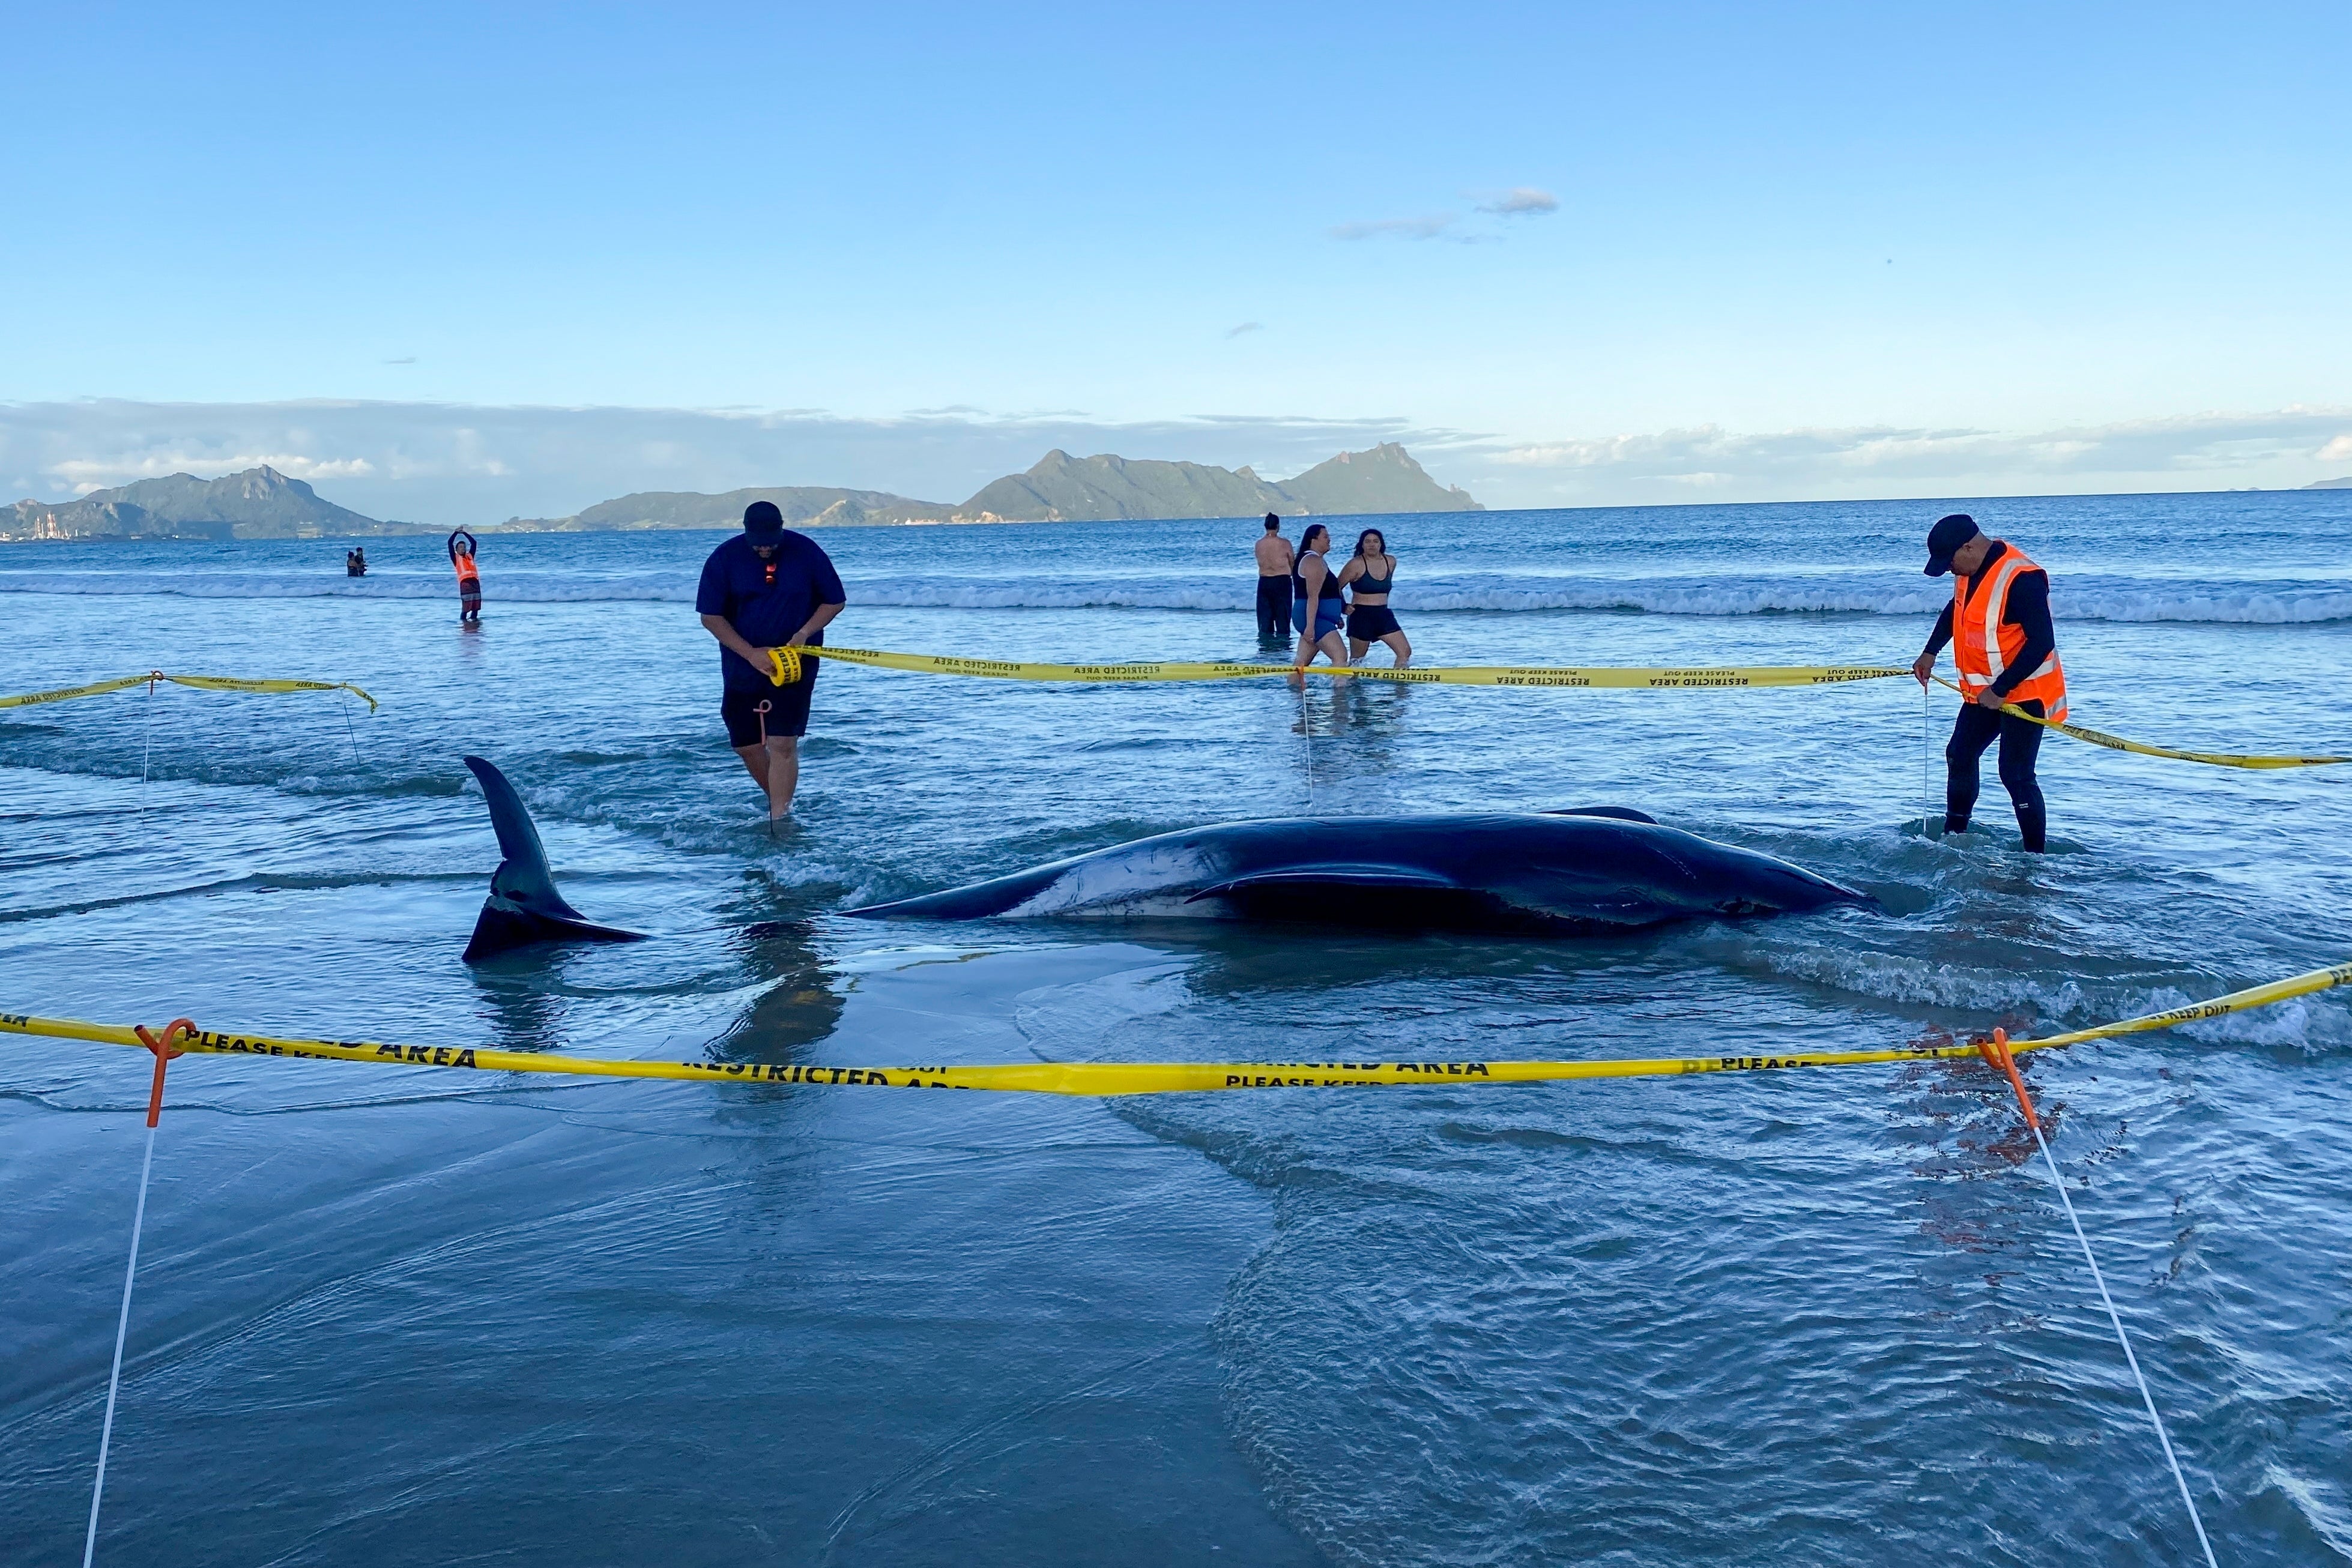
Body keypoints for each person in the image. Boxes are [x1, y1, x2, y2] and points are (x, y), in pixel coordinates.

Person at [1911, 512, 2066, 852]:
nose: (1949, 570)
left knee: (2015, 774)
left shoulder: (2022, 577)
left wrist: (2001, 689)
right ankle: (1954, 838)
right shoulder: (1969, 571)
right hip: (1983, 693)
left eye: (1949, 561)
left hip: (2025, 692)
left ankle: (2035, 857)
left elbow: (2042, 643)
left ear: (1968, 547)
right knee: (1959, 754)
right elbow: (1957, 608)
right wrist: (1930, 651)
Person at [697, 500, 847, 820]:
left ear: (782, 528)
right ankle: (780, 798)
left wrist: (805, 632)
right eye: (758, 543)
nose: (765, 548)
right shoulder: (724, 558)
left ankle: (781, 816)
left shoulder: (807, 552)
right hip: (743, 662)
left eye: (771, 542)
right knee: (746, 745)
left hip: (796, 660)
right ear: (746, 532)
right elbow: (711, 617)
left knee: (782, 742)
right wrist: (750, 654)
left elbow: (834, 602)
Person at [1337, 527, 1410, 667]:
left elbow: (1387, 587)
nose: (1372, 545)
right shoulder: (1356, 564)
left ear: (1381, 544)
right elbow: (1335, 587)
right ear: (1362, 545)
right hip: (1361, 616)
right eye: (1368, 542)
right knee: (1357, 661)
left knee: (1405, 652)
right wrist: (1343, 607)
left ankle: (1400, 686)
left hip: (1383, 615)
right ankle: (1348, 686)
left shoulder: (1391, 562)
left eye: (1376, 541)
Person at [1291, 523, 1349, 673]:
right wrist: (1310, 628)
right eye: (1325, 536)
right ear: (1313, 539)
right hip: (1313, 619)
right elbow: (1313, 597)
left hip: (1319, 618)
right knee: (1340, 655)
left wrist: (1335, 616)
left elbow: (1325, 593)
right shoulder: (1312, 561)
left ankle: (1293, 693)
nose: (1329, 540)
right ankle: (1340, 694)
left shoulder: (1315, 560)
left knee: (1301, 664)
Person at [1253, 513, 1294, 640]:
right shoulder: (1285, 543)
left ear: (1266, 526)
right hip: (1282, 581)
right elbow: (1292, 562)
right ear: (1278, 526)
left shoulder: (1259, 544)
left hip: (1264, 581)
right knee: (1283, 620)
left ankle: (1267, 648)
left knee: (1265, 622)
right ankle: (1282, 650)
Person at [447, 531, 482, 622]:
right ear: (457, 550)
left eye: (464, 547)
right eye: (461, 547)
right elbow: (449, 543)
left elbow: (474, 543)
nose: (463, 549)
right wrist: (456, 532)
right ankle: (463, 623)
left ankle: (474, 624)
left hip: (475, 584)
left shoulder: (470, 556)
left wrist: (464, 533)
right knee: (466, 608)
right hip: (465, 584)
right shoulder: (455, 558)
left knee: (476, 607)